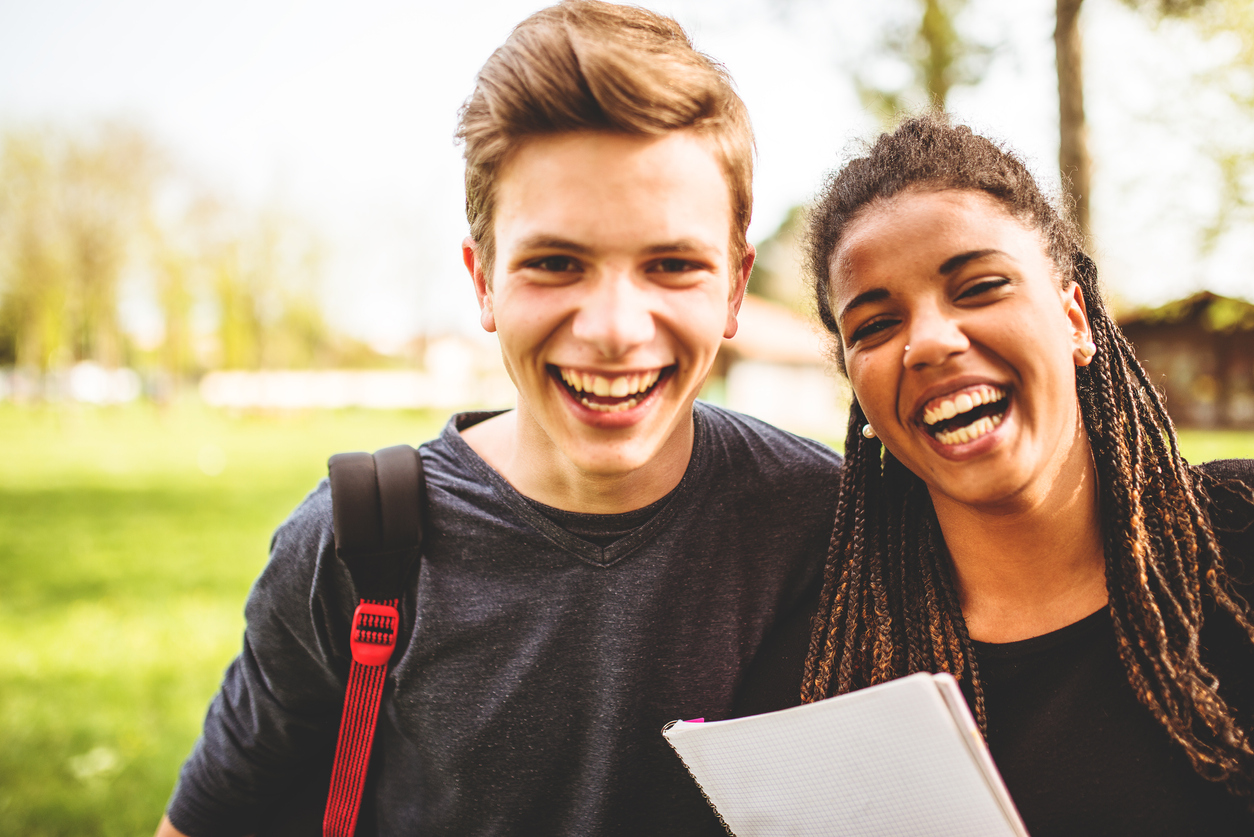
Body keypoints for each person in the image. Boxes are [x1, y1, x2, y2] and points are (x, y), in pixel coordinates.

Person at [156, 2, 841, 835]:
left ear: (735, 287)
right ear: (482, 281)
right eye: (556, 263)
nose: (616, 328)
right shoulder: (357, 543)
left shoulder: (825, 525)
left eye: (671, 264)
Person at [739, 114, 1254, 836]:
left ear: (1075, 317)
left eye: (978, 286)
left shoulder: (1239, 540)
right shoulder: (817, 689)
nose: (929, 341)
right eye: (875, 325)